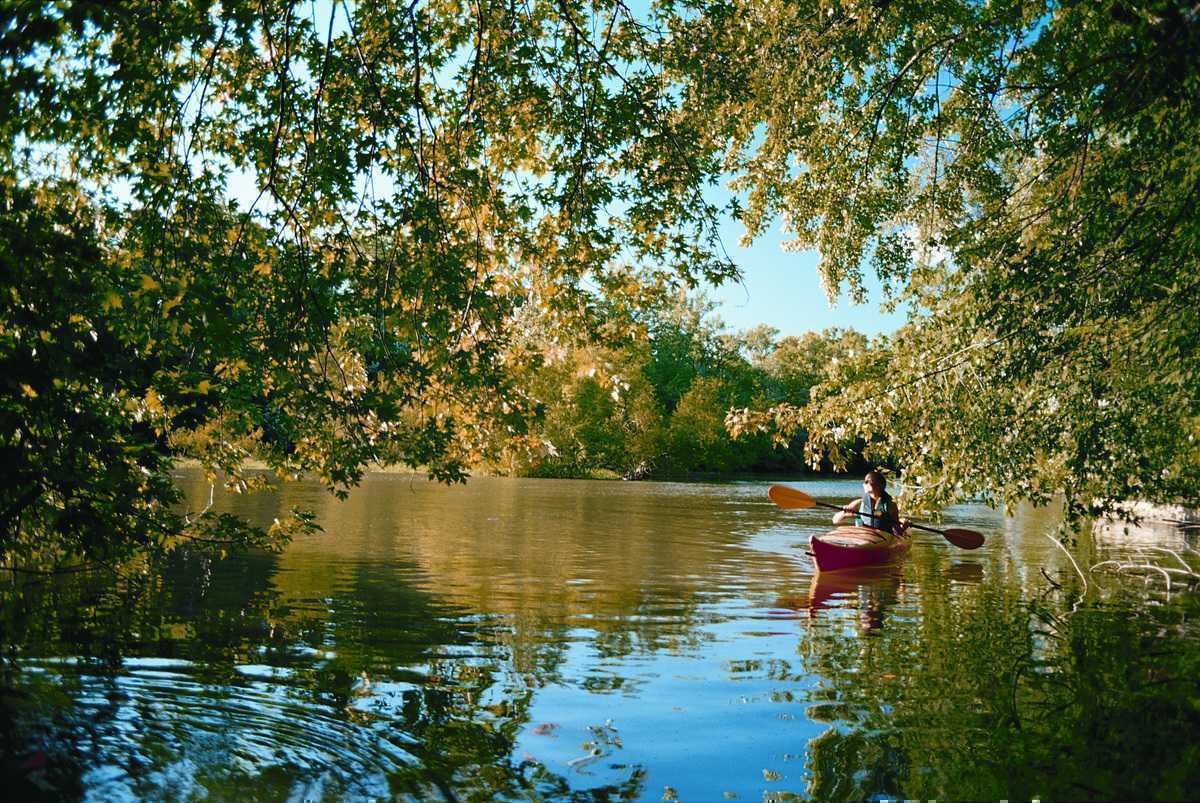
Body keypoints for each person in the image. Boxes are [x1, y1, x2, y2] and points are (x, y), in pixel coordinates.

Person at [832, 471, 910, 536]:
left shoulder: (890, 505)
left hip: (882, 538)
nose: (864, 485)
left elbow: (898, 531)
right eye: (865, 482)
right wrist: (844, 513)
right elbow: (835, 520)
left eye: (867, 482)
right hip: (862, 537)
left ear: (879, 485)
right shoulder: (859, 503)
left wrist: (904, 527)